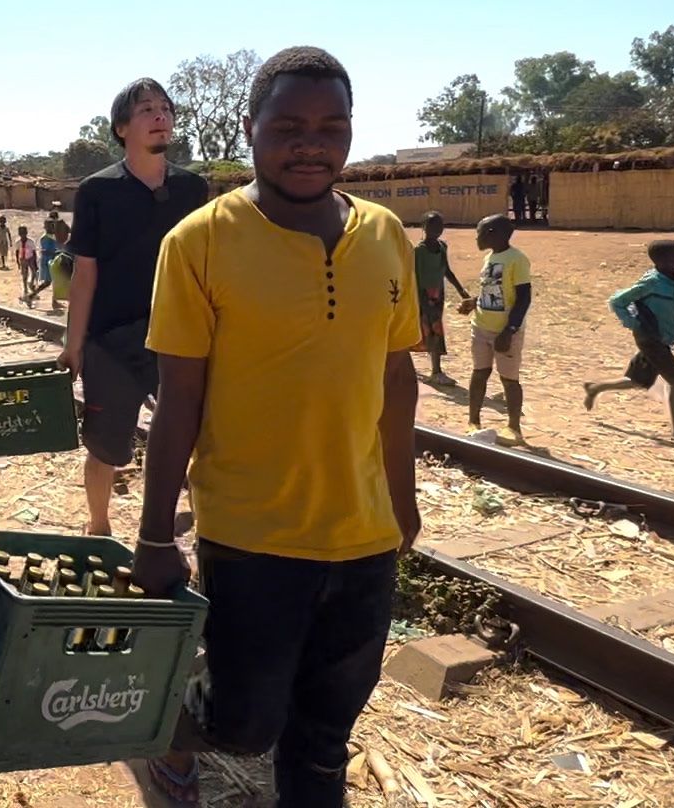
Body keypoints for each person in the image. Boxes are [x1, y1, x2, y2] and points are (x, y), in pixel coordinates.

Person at [134, 46, 421, 807]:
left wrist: (404, 500)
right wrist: (156, 534)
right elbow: (179, 400)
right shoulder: (199, 242)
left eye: (331, 127)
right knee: (246, 723)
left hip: (363, 535)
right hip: (251, 535)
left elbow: (398, 377)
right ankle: (170, 726)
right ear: (249, 126)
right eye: (289, 125)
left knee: (325, 736)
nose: (310, 143)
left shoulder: (386, 234)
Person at [59, 77, 208, 537]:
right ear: (122, 127)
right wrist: (74, 344)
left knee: (197, 436)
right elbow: (85, 273)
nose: (160, 116)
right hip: (112, 340)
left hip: (180, 335)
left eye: (165, 108)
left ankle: (198, 523)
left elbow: (207, 268)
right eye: (146, 110)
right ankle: (99, 526)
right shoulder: (97, 191)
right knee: (105, 444)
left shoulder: (193, 189)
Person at [585, 240, 674, 446]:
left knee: (639, 381)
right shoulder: (652, 283)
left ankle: (595, 388)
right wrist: (632, 323)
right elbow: (617, 301)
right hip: (650, 339)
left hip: (661, 338)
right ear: (662, 262)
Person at [459, 214, 532, 446]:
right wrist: (474, 302)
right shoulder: (490, 258)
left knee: (509, 380)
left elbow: (523, 298)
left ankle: (514, 428)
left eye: (478, 233)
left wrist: (509, 330)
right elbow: (493, 290)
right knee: (479, 373)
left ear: (492, 234)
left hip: (504, 331)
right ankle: (474, 421)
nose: (476, 238)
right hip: (481, 327)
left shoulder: (517, 259)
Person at [414, 211, 471, 387]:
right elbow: (414, 276)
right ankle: (435, 372)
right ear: (424, 228)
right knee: (428, 330)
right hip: (423, 295)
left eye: (439, 226)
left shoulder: (442, 247)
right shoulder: (419, 251)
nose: (436, 230)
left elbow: (446, 270)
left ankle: (433, 370)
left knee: (432, 330)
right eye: (432, 226)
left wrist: (461, 290)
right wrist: (421, 300)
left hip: (437, 295)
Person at [16, 225, 38, 303]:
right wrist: (18, 261)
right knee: (24, 275)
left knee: (34, 273)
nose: (22, 234)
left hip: (31, 259)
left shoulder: (30, 242)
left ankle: (31, 284)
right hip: (23, 260)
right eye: (21, 233)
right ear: (19, 233)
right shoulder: (18, 242)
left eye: (24, 233)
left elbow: (34, 252)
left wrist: (35, 262)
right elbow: (17, 252)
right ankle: (25, 290)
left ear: (26, 233)